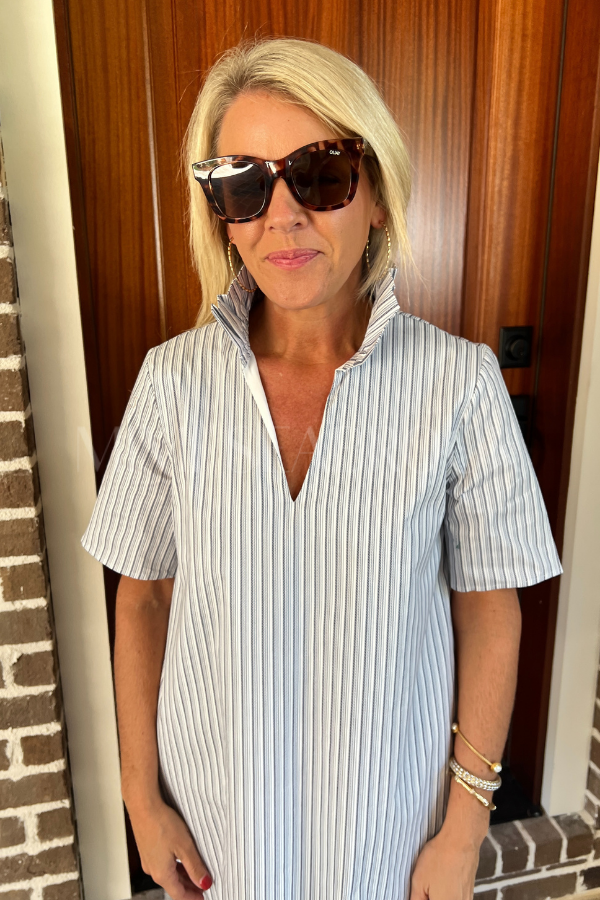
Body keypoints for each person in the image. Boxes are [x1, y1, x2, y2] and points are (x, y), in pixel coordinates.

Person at [80, 36, 563, 900]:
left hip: (387, 834)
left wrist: (465, 829)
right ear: (220, 212)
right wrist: (140, 799)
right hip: (218, 832)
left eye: (321, 174)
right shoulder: (170, 383)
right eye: (243, 184)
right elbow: (143, 596)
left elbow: (491, 610)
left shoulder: (460, 386)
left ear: (375, 195)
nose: (282, 216)